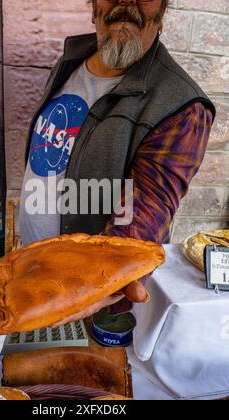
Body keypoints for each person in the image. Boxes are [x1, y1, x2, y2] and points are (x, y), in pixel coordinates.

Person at [19, 0, 215, 323]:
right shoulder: (70, 61)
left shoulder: (181, 107)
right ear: (93, 4)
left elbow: (141, 220)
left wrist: (82, 292)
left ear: (163, 8)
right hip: (34, 276)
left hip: (88, 307)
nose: (126, 2)